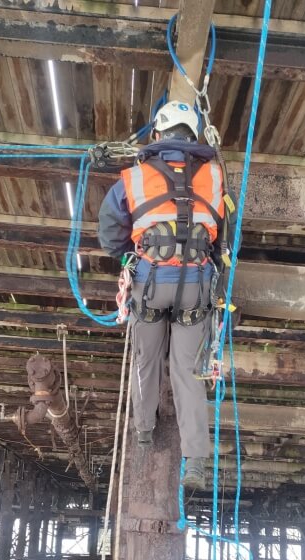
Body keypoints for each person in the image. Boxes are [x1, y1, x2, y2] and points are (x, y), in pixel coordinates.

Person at [98, 100, 226, 491]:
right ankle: (196, 460)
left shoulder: (133, 179)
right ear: (195, 134)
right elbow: (225, 235)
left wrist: (132, 253)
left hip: (150, 283)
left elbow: (109, 235)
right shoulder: (216, 178)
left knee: (146, 358)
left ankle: (144, 430)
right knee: (187, 371)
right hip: (197, 287)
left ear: (157, 135)